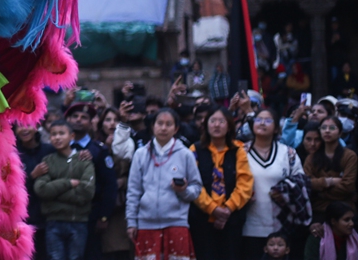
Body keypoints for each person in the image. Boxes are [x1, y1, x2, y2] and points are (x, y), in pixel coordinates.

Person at [126, 107, 202, 260]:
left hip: (176, 223)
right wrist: (131, 222)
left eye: (169, 124)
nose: (163, 128)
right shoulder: (141, 154)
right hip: (146, 224)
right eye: (160, 123)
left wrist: (183, 190)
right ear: (153, 126)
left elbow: (196, 188)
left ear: (176, 129)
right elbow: (133, 191)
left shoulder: (185, 154)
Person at [188, 105, 253, 260]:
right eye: (213, 121)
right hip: (201, 220)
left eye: (221, 121)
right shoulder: (194, 149)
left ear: (229, 126)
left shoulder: (239, 150)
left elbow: (245, 185)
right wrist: (213, 209)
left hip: (232, 220)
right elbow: (193, 184)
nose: (216, 125)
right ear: (206, 125)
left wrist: (227, 210)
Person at [244, 107, 306, 258]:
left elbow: (301, 182)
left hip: (282, 225)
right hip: (249, 224)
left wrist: (287, 192)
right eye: (258, 120)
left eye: (268, 120)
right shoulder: (241, 152)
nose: (262, 123)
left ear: (277, 127)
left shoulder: (288, 153)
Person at [35, 120, 95, 260]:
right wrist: (68, 183)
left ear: (72, 136)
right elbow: (41, 189)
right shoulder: (48, 161)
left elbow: (87, 191)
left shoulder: (84, 160)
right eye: (53, 134)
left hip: (78, 221)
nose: (57, 137)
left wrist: (55, 193)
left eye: (62, 133)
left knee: (76, 257)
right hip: (53, 221)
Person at [65, 102, 117, 257]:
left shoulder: (98, 150)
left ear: (91, 122)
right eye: (75, 116)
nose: (78, 120)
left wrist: (104, 216)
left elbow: (109, 185)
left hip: (91, 216)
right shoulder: (59, 147)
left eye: (84, 117)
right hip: (63, 215)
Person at [304, 116, 358, 218]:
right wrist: (329, 181)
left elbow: (348, 187)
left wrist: (320, 192)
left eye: (332, 128)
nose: (327, 131)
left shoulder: (349, 156)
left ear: (340, 132)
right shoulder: (311, 158)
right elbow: (307, 183)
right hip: (318, 211)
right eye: (323, 128)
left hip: (344, 210)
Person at [17, 122, 56, 259]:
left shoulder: (49, 150)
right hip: (25, 219)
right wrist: (32, 176)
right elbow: (13, 187)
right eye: (20, 126)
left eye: (28, 125)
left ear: (36, 127)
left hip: (49, 217)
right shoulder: (14, 154)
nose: (24, 129)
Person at [99, 106, 133, 260]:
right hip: (102, 207)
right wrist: (105, 148)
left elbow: (133, 173)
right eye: (108, 120)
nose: (112, 124)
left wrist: (123, 181)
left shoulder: (129, 144)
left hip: (123, 206)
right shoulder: (95, 143)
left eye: (116, 120)